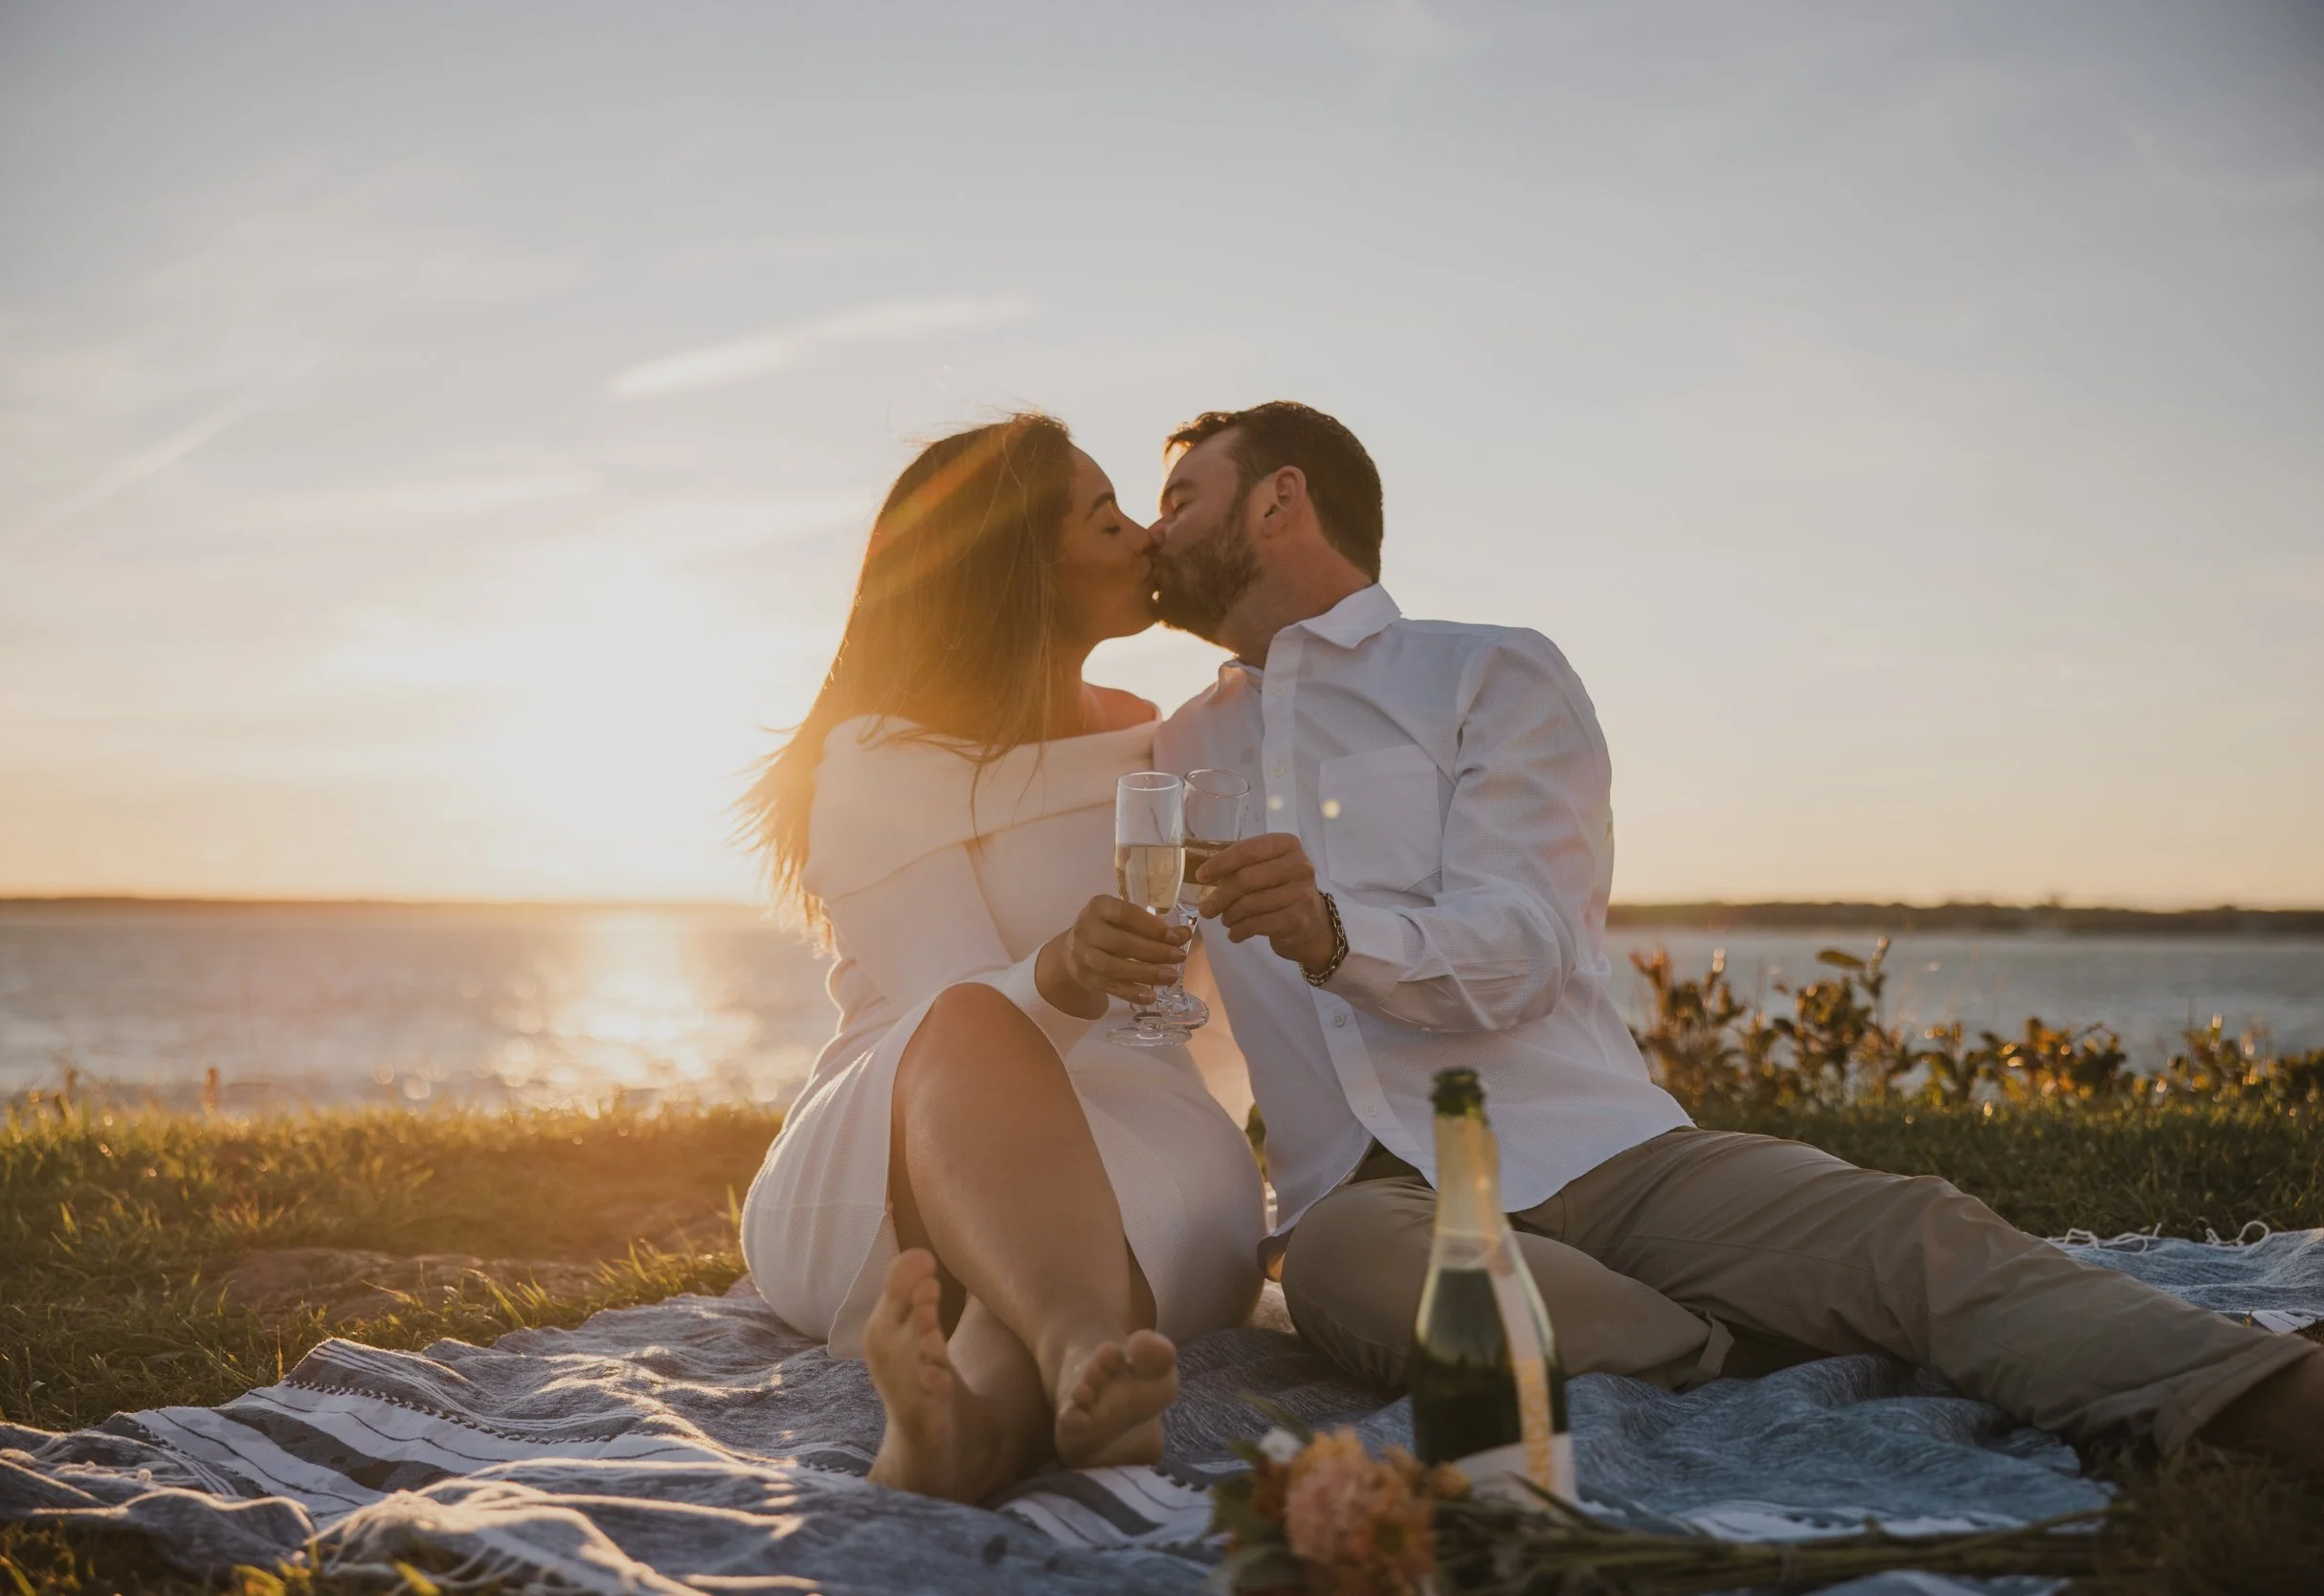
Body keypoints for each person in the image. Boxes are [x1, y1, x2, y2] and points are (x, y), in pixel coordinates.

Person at [1063, 398, 2324, 1471]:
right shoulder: (1172, 753)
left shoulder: (1488, 671)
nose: (1157, 528)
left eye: (1179, 494)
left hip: (1599, 1149)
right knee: (1343, 1271)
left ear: (1280, 499)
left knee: (1909, 1228)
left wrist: (1338, 931)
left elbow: (1532, 938)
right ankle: (1730, 1344)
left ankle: (2260, 1397)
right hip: (1372, 1200)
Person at [737, 415, 1264, 1505]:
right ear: (1016, 563)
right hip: (910, 1131)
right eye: (1105, 518)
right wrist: (1065, 968)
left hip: (1144, 1132)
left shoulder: (1166, 744)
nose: (1142, 540)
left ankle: (972, 1426)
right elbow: (954, 1010)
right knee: (978, 1032)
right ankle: (1083, 1349)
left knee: (1045, 1251)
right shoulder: (880, 761)